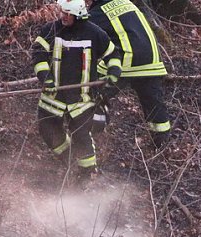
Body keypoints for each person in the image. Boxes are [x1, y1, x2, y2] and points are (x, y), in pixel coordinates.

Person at [31, 0, 121, 183]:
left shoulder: (95, 34)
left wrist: (113, 73)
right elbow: (38, 53)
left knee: (81, 135)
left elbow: (114, 55)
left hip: (82, 99)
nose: (63, 16)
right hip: (53, 96)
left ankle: (86, 175)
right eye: (62, 12)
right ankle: (69, 160)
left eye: (67, 14)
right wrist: (44, 77)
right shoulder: (51, 30)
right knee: (47, 129)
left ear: (78, 15)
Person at [87, 0, 172, 148]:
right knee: (153, 104)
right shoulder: (126, 2)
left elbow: (82, 34)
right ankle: (161, 145)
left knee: (91, 92)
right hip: (152, 59)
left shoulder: (99, 12)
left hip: (128, 58)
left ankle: (92, 134)